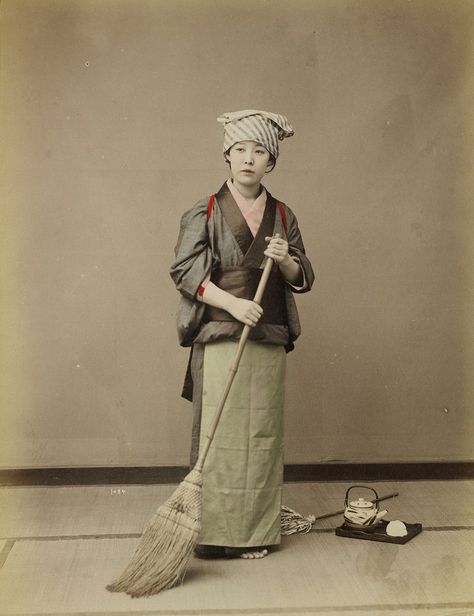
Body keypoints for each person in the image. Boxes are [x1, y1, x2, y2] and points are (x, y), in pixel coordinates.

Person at [170, 110, 314, 560]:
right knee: (219, 431)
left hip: (267, 333)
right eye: (239, 150)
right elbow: (185, 269)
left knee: (260, 433)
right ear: (227, 157)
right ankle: (213, 532)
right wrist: (232, 303)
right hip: (220, 328)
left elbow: (302, 275)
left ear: (270, 161)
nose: (248, 159)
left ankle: (254, 533)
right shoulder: (206, 211)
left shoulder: (283, 215)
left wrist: (286, 257)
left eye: (259, 151)